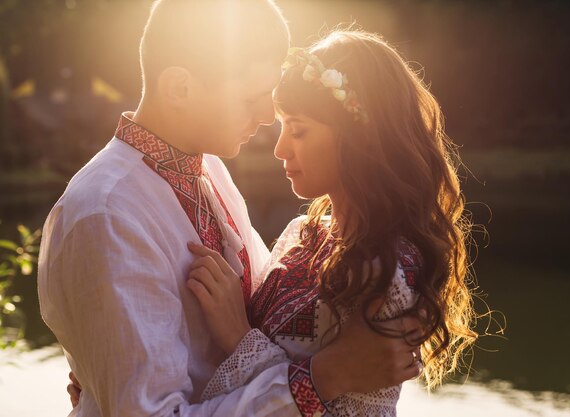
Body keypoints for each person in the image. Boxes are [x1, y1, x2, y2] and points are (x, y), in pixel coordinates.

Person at [38, 1, 422, 416]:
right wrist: (323, 378)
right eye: (252, 97)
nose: (265, 116)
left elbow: (260, 320)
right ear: (180, 89)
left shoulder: (211, 172)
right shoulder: (107, 213)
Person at [182, 31, 479, 416]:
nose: (280, 148)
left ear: (360, 138)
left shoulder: (387, 274)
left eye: (299, 129)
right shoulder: (300, 234)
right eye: (283, 127)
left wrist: (240, 339)